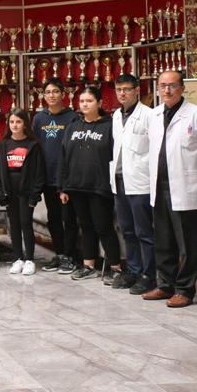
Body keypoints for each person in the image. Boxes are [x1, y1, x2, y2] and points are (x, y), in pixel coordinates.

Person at [144, 70, 197, 308]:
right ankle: (165, 285)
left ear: (182, 88)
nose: (167, 90)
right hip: (159, 187)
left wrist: (192, 177)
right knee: (163, 240)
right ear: (158, 88)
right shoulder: (154, 115)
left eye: (172, 85)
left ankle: (185, 289)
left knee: (187, 243)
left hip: (185, 189)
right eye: (163, 85)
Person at [59, 85, 119, 282]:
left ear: (99, 103)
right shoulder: (73, 126)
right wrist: (63, 187)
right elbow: (64, 157)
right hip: (76, 186)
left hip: (100, 186)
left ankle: (115, 268)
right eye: (82, 101)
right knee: (86, 227)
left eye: (89, 101)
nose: (85, 104)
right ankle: (89, 265)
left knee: (104, 227)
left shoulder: (110, 126)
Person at [110, 74, 155, 294]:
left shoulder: (149, 115)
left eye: (127, 89)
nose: (122, 93)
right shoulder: (116, 115)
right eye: (119, 89)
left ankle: (149, 274)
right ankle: (134, 270)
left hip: (140, 182)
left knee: (143, 231)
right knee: (127, 230)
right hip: (119, 181)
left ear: (137, 90)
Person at [32, 78, 80, 274]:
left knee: (69, 218)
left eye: (55, 91)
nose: (51, 95)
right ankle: (59, 254)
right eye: (48, 92)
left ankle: (70, 256)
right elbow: (34, 147)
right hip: (47, 177)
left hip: (66, 177)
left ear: (63, 94)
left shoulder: (72, 118)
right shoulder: (39, 118)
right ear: (43, 96)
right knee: (53, 218)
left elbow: (75, 149)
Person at [0, 108, 45, 276]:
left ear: (25, 124)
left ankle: (29, 259)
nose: (15, 125)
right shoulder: (3, 144)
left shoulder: (33, 145)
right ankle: (18, 258)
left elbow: (39, 173)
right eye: (12, 122)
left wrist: (35, 195)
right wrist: (0, 192)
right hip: (10, 192)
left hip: (26, 192)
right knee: (14, 225)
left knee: (25, 223)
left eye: (18, 121)